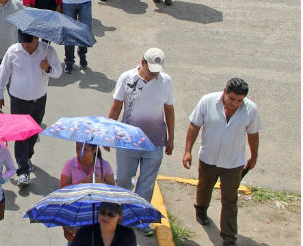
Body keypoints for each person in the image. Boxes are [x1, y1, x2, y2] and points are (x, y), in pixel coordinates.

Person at [183, 77, 261, 246]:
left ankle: (228, 238)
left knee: (230, 200)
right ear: (225, 91)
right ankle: (201, 210)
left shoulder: (251, 110)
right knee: (204, 187)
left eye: (239, 101)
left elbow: (253, 134)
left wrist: (254, 156)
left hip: (233, 163)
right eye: (232, 98)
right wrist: (187, 151)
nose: (234, 103)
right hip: (208, 159)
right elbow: (194, 126)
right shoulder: (207, 101)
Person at [108, 48, 174, 236]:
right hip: (127, 140)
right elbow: (116, 105)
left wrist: (171, 138)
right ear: (142, 62)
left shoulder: (165, 81)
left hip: (155, 141)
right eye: (151, 69)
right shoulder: (127, 78)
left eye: (157, 70)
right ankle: (120, 215)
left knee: (146, 183)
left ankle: (140, 219)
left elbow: (169, 110)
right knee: (122, 179)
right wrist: (108, 133)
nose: (154, 73)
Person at [0, 31, 61, 186]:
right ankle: (23, 170)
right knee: (21, 136)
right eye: (22, 42)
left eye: (28, 42)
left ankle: (27, 157)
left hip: (39, 100)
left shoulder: (48, 51)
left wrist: (49, 68)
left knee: (33, 132)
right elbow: (3, 74)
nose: (25, 45)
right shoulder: (13, 51)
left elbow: (58, 72)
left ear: (36, 38)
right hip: (18, 100)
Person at [70, 202, 137, 246]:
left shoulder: (128, 235)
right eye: (102, 212)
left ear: (119, 216)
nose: (105, 216)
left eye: (111, 214)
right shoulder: (84, 233)